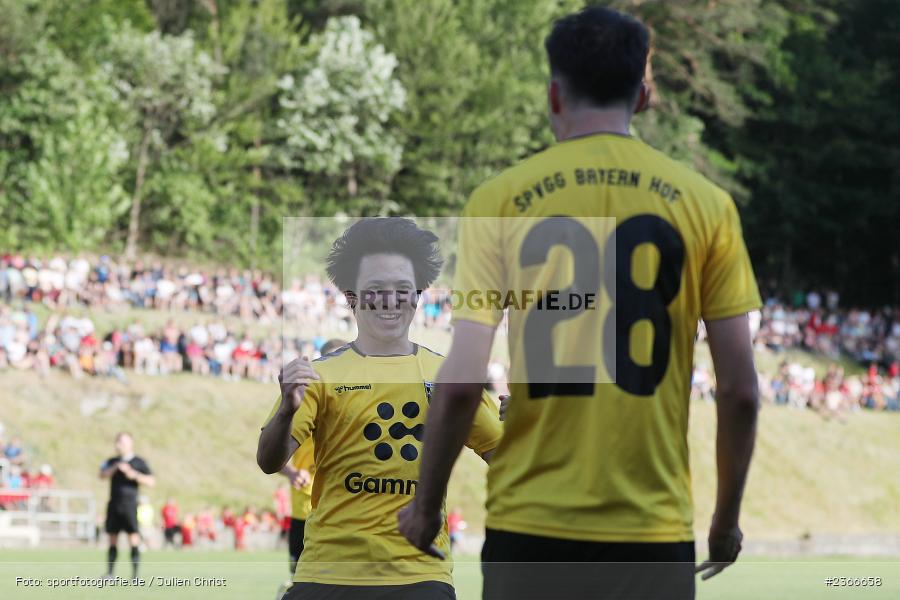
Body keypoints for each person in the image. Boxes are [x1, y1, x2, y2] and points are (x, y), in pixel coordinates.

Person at [398, 7, 761, 600]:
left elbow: (462, 382)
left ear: (554, 95)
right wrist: (723, 525)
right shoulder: (708, 204)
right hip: (651, 528)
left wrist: (424, 507)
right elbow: (740, 391)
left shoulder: (500, 197)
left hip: (530, 527)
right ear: (642, 97)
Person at [258, 218, 503, 600]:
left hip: (419, 576)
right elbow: (270, 460)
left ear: (418, 294)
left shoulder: (450, 375)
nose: (389, 300)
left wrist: (526, 426)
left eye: (402, 289)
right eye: (375, 289)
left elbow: (507, 460)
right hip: (328, 572)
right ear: (351, 296)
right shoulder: (320, 375)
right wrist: (287, 411)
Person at [100, 432, 155, 578]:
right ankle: (110, 574)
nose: (120, 445)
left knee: (133, 538)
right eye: (118, 441)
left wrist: (133, 474)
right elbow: (102, 475)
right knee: (112, 539)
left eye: (123, 442)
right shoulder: (112, 461)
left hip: (130, 506)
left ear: (131, 443)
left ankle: (135, 576)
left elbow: (151, 481)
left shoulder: (139, 462)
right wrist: (115, 468)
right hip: (114, 504)